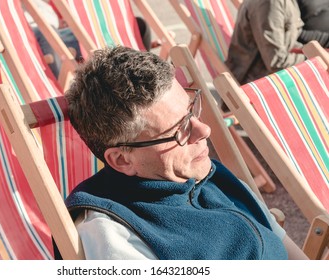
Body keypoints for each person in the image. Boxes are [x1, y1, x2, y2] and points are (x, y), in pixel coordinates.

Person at [54, 45, 309, 260]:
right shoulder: (114, 236)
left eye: (192, 109)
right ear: (122, 159)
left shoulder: (208, 176)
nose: (204, 130)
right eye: (179, 130)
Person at [24, 0, 153, 77]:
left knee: (137, 25)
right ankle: (130, 59)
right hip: (38, 36)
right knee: (91, 38)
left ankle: (129, 56)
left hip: (57, 33)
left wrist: (62, 21)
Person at [226, 0, 329, 84]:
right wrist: (317, 57)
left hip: (275, 78)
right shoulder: (270, 4)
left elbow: (293, 35)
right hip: (260, 85)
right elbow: (277, 62)